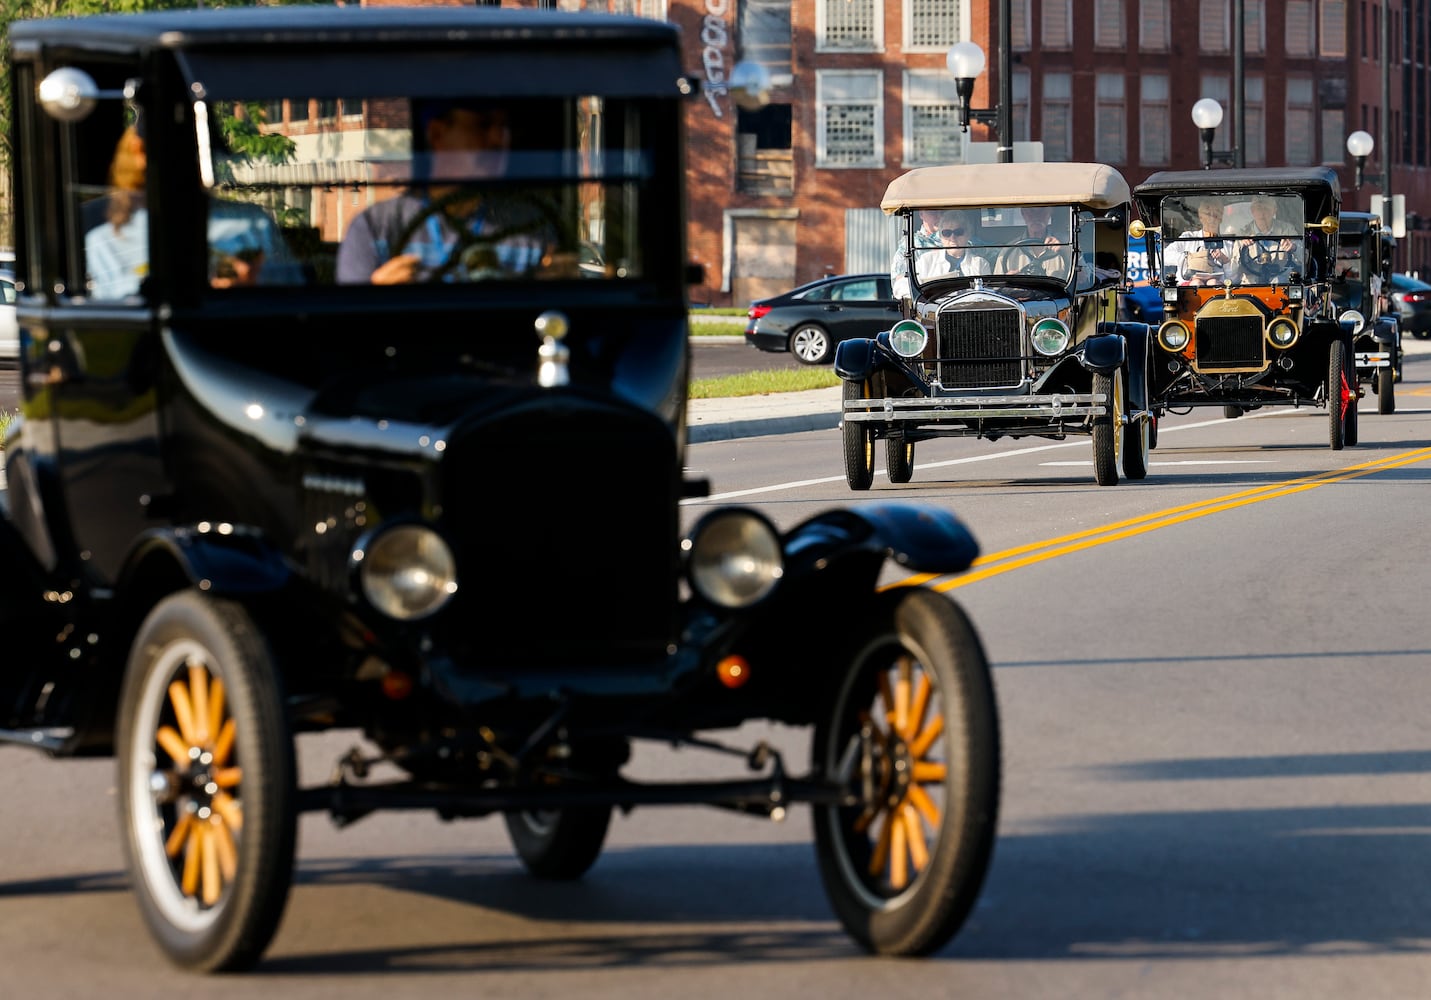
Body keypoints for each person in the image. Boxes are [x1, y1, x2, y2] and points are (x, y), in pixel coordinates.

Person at [336, 101, 547, 284]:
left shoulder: (531, 227)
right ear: (437, 134)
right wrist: (379, 296)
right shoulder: (375, 227)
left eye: (503, 127)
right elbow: (347, 320)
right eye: (483, 125)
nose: (498, 140)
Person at [84, 122, 299, 297]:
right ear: (138, 156)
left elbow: (292, 298)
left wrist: (248, 286)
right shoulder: (105, 243)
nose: (180, 166)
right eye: (164, 154)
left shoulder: (252, 223)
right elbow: (112, 326)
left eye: (191, 152)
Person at [1231, 195, 1299, 284]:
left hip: (1281, 282)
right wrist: (1242, 248)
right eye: (1259, 208)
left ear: (1274, 210)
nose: (1262, 213)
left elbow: (1302, 260)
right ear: (1252, 211)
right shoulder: (1243, 233)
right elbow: (1233, 269)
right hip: (1251, 283)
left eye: (1266, 208)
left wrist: (1294, 247)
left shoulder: (1287, 230)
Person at [1164, 199, 1233, 286]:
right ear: (1201, 217)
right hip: (1189, 287)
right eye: (1208, 214)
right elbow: (1165, 255)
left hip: (1218, 290)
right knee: (1196, 283)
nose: (1212, 218)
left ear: (1221, 218)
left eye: (1216, 215)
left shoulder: (1228, 243)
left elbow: (1234, 278)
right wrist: (1188, 259)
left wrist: (1225, 260)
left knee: (1213, 283)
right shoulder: (1188, 238)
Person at [915, 210, 991, 282]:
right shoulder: (926, 261)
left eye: (958, 232)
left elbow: (988, 291)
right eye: (947, 233)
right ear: (941, 237)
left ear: (968, 235)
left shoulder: (980, 264)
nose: (952, 238)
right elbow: (907, 287)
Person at [997, 205, 1070, 278]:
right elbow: (995, 287)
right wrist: (1008, 284)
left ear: (1050, 212)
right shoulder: (1008, 251)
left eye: (1042, 211)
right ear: (1023, 213)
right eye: (1031, 211)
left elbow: (1080, 279)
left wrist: (1066, 252)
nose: (1036, 217)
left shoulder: (1065, 246)